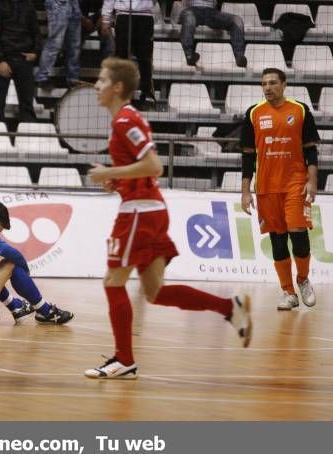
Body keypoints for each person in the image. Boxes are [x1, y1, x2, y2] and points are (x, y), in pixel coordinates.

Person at [85, 57, 251, 380]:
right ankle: (230, 308)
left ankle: (124, 359)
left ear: (118, 87)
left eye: (102, 80)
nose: (96, 86)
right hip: (150, 209)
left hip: (138, 214)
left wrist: (110, 171)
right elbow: (143, 169)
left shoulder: (124, 122)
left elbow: (154, 166)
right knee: (155, 292)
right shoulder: (126, 119)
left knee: (112, 282)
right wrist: (117, 181)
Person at [240, 68, 319, 310]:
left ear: (284, 85)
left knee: (298, 233)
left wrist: (312, 181)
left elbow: (311, 150)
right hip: (266, 187)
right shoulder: (253, 114)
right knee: (277, 240)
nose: (267, 88)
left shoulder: (300, 109)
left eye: (273, 83)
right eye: (264, 84)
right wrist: (245, 190)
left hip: (295, 182)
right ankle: (288, 292)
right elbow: (247, 156)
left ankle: (303, 279)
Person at [0, 0, 42, 123]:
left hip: (24, 60)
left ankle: (29, 139)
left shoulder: (29, 6)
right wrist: (0, 60)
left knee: (27, 106)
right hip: (3, 60)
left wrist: (35, 53)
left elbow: (36, 33)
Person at [100, 0, 156, 107]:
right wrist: (106, 18)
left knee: (145, 57)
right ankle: (121, 93)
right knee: (121, 57)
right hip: (123, 15)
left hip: (145, 15)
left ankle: (147, 93)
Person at [179, 0, 247, 67]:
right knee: (189, 18)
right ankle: (189, 56)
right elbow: (184, 4)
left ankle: (239, 57)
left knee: (237, 20)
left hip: (211, 12)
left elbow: (215, 4)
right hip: (192, 10)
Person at [35, 0, 82, 90]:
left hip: (74, 4)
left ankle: (72, 78)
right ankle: (42, 77)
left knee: (74, 45)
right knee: (55, 43)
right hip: (58, 3)